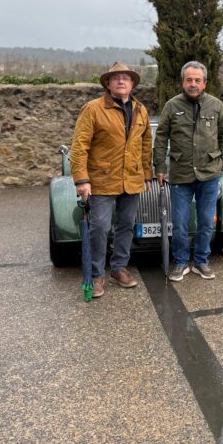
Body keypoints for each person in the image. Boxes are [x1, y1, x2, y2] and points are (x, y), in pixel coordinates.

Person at [70, 61, 152, 300]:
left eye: (125, 78)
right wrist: (82, 179)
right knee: (100, 228)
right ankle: (96, 275)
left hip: (132, 179)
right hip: (102, 180)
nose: (121, 81)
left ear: (132, 83)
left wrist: (146, 173)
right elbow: (79, 146)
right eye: (115, 78)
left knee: (126, 226)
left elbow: (146, 145)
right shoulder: (93, 109)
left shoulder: (140, 110)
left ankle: (118, 268)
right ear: (107, 83)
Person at [154, 61, 223, 281]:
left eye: (197, 80)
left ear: (204, 83)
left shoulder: (216, 106)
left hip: (209, 174)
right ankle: (180, 263)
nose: (193, 84)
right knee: (179, 223)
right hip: (181, 174)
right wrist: (159, 167)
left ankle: (201, 262)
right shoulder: (171, 106)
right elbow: (160, 138)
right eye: (189, 80)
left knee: (206, 222)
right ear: (182, 82)